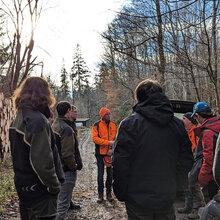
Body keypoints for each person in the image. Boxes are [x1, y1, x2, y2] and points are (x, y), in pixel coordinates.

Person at [112, 78, 194, 220]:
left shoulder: (129, 124)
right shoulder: (177, 125)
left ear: (138, 100)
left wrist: (121, 193)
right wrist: (176, 188)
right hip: (165, 197)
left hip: (137, 199)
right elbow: (186, 161)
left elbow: (120, 163)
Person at [9, 77, 64, 220]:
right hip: (40, 193)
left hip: (24, 188)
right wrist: (54, 186)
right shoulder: (38, 121)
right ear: (45, 94)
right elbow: (42, 162)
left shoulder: (19, 117)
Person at [188, 102, 220, 218]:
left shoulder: (208, 132)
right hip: (216, 177)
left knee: (212, 210)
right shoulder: (217, 125)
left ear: (197, 116)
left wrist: (202, 179)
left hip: (212, 179)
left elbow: (209, 160)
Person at [52, 101, 78, 220]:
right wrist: (74, 167)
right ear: (68, 111)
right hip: (65, 170)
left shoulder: (54, 125)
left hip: (56, 168)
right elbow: (67, 154)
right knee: (62, 205)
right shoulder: (66, 129)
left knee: (59, 201)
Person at [178, 113, 204, 217]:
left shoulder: (195, 131)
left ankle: (197, 210)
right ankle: (188, 206)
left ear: (190, 121)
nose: (182, 120)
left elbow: (197, 148)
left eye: (184, 118)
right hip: (187, 162)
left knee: (194, 185)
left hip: (195, 162)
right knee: (187, 184)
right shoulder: (185, 132)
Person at [92, 107, 118, 203]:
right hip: (100, 154)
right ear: (102, 116)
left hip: (110, 154)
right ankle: (100, 195)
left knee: (110, 175)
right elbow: (95, 139)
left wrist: (111, 149)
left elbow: (117, 139)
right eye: (107, 114)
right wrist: (108, 143)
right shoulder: (96, 125)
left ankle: (109, 194)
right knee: (100, 174)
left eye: (109, 114)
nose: (109, 116)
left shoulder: (114, 125)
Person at [68, 105, 83, 210]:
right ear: (69, 112)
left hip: (73, 156)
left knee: (70, 185)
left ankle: (69, 202)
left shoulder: (72, 124)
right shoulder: (67, 126)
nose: (76, 113)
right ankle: (67, 203)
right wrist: (73, 164)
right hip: (69, 160)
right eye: (75, 111)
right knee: (67, 183)